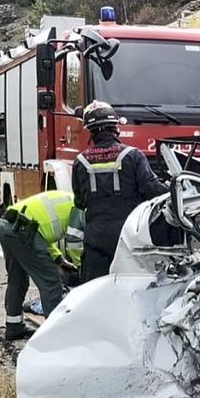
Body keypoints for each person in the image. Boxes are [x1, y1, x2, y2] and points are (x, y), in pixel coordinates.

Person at [72, 100, 167, 281]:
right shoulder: (133, 155)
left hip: (95, 239)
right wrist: (173, 188)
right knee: (131, 288)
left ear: (90, 131)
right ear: (115, 127)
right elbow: (151, 189)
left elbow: (79, 201)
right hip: (128, 236)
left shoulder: (80, 162)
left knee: (94, 291)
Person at [0, 189, 82, 341]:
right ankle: (55, 334)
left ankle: (14, 326)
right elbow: (74, 242)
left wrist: (59, 260)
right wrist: (80, 264)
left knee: (17, 278)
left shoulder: (68, 198)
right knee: (51, 281)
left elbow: (41, 236)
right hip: (22, 229)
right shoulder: (81, 209)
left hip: (6, 225)